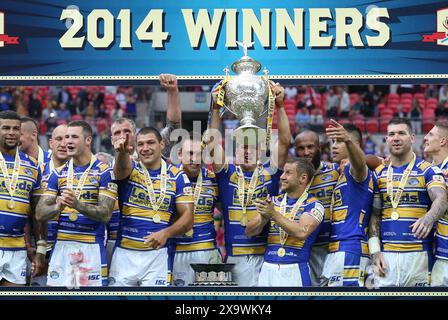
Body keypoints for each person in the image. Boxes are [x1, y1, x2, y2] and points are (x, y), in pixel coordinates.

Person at [208, 81, 291, 286]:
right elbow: (211, 143)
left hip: (267, 256)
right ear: (234, 151)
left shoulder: (270, 172)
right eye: (242, 147)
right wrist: (216, 108)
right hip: (235, 256)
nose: (246, 151)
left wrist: (280, 106)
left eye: (251, 147)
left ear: (260, 152)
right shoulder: (227, 173)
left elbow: (286, 141)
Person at [106, 74, 183, 266]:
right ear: (111, 139)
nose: (122, 136)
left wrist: (172, 91)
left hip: (155, 237)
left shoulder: (150, 150)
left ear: (135, 134)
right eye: (117, 133)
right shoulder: (105, 162)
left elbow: (173, 127)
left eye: (127, 131)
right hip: (117, 239)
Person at [109, 127, 194, 286]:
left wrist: (166, 233)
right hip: (124, 255)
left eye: (150, 143)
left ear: (162, 144)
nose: (145, 148)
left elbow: (188, 218)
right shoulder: (131, 168)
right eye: (140, 144)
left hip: (157, 256)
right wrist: (121, 153)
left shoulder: (176, 175)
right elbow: (120, 169)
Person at [36, 120, 117, 287]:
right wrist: (57, 206)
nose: (68, 142)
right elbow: (39, 213)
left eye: (74, 137)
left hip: (91, 246)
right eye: (66, 137)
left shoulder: (105, 171)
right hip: (62, 246)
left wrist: (77, 205)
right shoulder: (58, 173)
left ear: (88, 140)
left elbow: (106, 214)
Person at [368, 118, 447, 287]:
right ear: (386, 139)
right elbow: (374, 215)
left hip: (419, 257)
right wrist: (374, 252)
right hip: (386, 257)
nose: (396, 138)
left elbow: (441, 198)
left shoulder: (428, 170)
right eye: (391, 134)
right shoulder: (379, 173)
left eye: (401, 133)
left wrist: (429, 218)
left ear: (412, 138)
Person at [247, 158, 324, 286]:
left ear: (303, 178)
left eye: (288, 173)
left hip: (295, 268)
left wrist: (273, 214)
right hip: (267, 268)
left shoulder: (314, 205)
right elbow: (249, 231)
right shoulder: (273, 201)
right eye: (283, 172)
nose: (282, 177)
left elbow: (301, 232)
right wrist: (263, 219)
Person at [322, 121, 376, 286]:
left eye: (340, 141)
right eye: (333, 142)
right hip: (335, 249)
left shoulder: (357, 171)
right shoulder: (338, 173)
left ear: (355, 144)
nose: (334, 146)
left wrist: (348, 140)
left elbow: (360, 164)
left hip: (351, 248)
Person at [0, 111, 45, 286]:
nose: (11, 132)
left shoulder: (32, 166)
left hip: (17, 249)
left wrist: (40, 249)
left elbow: (37, 213)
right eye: (5, 128)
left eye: (15, 129)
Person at [171, 134, 220, 286]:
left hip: (207, 249)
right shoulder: (169, 178)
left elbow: (227, 211)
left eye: (200, 154)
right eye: (190, 153)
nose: (196, 158)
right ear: (179, 154)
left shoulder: (213, 179)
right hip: (177, 250)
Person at [294, 130, 339, 286]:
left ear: (319, 148)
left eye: (310, 147)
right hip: (308, 250)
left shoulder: (335, 171)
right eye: (301, 148)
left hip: (334, 247)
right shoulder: (292, 180)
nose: (306, 152)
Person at [31, 124, 69, 286]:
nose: (63, 144)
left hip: (71, 248)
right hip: (41, 249)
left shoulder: (87, 173)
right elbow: (29, 213)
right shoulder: (36, 170)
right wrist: (38, 249)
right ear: (50, 143)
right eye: (59, 139)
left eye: (67, 139)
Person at [422, 123, 448, 286]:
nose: (425, 137)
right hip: (434, 256)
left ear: (443, 141)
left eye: (431, 135)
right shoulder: (426, 171)